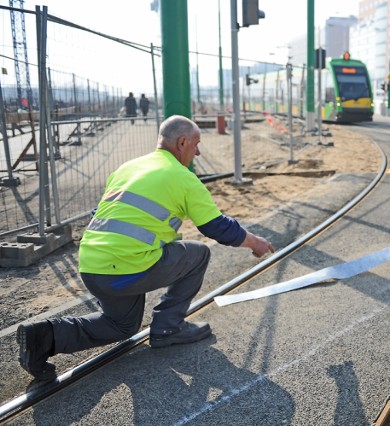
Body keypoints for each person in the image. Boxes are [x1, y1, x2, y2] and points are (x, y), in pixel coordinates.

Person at [16, 115, 275, 381]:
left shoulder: (128, 168)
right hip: (126, 269)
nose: (197, 151)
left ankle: (42, 336)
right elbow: (216, 227)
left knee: (122, 325)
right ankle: (168, 328)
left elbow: (101, 213)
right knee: (199, 254)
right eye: (196, 144)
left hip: (92, 265)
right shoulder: (183, 178)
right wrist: (255, 242)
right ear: (182, 141)